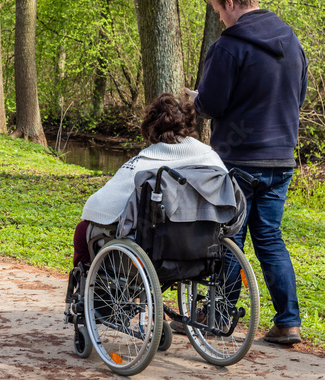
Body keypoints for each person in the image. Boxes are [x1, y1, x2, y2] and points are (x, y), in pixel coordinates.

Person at [192, 0, 308, 346]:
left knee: (229, 237)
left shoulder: (229, 46)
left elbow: (211, 104)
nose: (220, 19)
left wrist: (196, 99)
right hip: (282, 157)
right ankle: (288, 321)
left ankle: (218, 315)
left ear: (230, 3)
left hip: (239, 157)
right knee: (270, 238)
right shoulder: (291, 41)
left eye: (218, 11)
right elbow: (298, 95)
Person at [71, 93, 225, 271]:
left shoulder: (144, 162)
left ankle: (92, 289)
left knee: (83, 230)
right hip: (202, 243)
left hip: (154, 247)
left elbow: (98, 207)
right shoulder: (211, 158)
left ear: (152, 127)